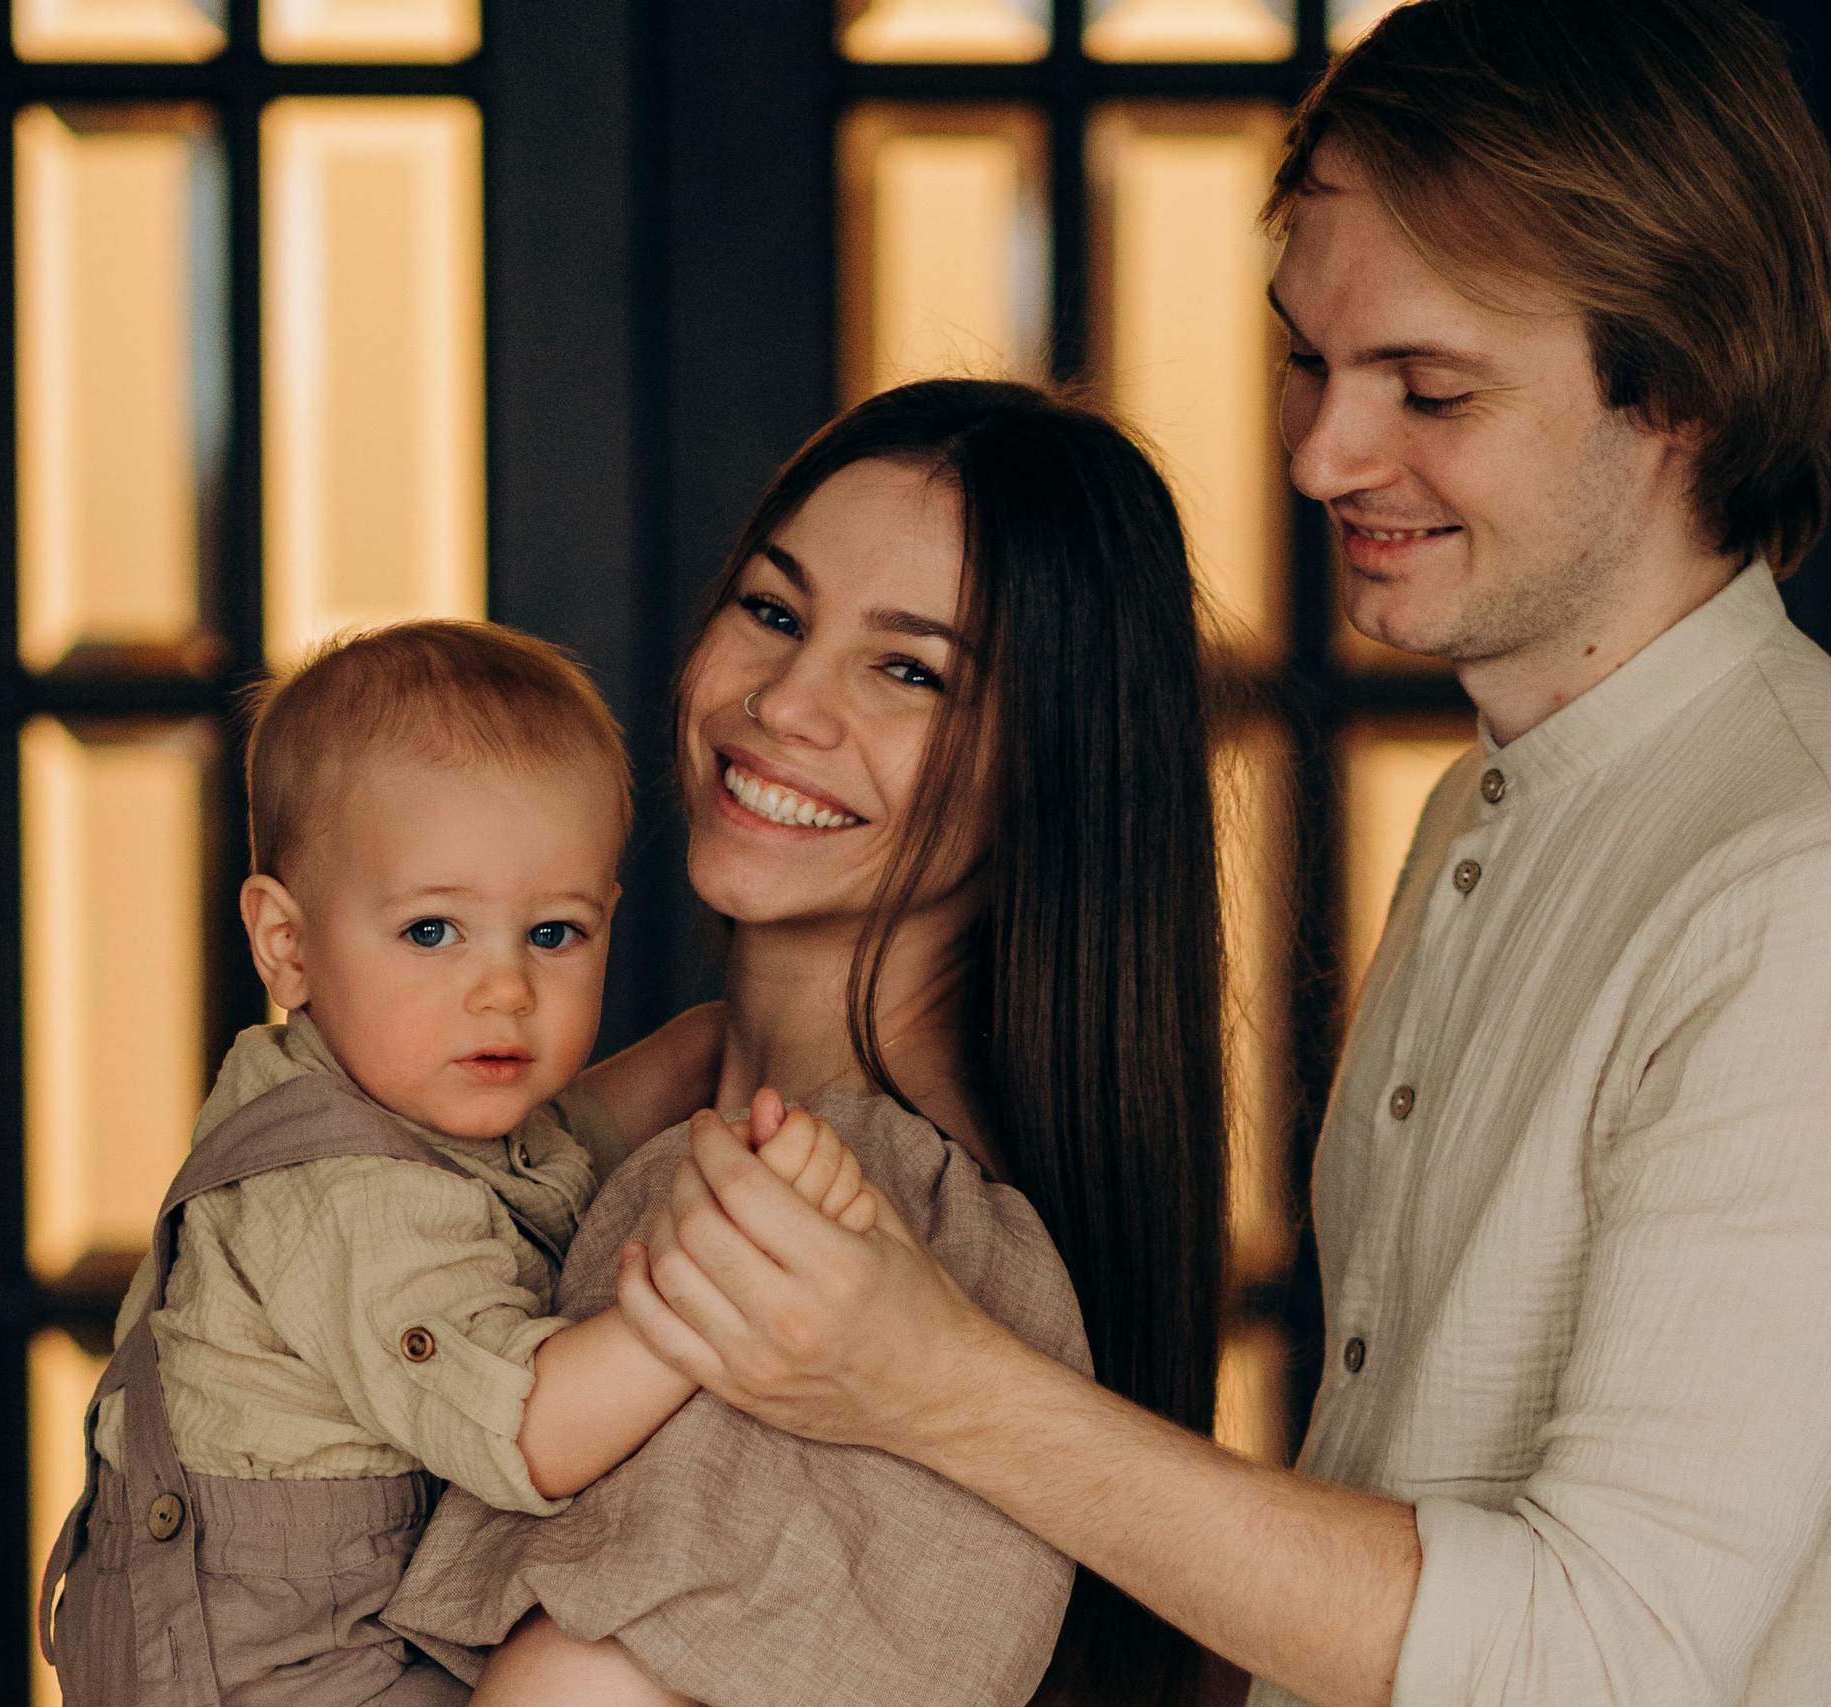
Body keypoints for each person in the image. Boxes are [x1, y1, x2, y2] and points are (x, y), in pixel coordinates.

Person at [610, 4, 1831, 1706]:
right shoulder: (1497, 807)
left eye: (1428, 389)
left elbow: (1598, 1657)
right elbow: (1381, 1514)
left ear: (1677, 392)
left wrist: (939, 1383)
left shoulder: (1826, 895)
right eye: (1307, 357)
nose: (1318, 455)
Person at [382, 379, 1230, 1707]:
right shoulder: (669, 1124)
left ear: (1051, 767)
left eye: (909, 669)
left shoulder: (843, 1232)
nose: (784, 701)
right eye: (773, 611)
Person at [36, 620, 878, 1704]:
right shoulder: (350, 1200)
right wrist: (712, 1295)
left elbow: (568, 1143)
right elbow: (530, 1431)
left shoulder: (377, 1081)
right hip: (297, 1677)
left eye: (555, 935)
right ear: (285, 944)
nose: (505, 991)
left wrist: (748, 1035)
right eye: (434, 933)